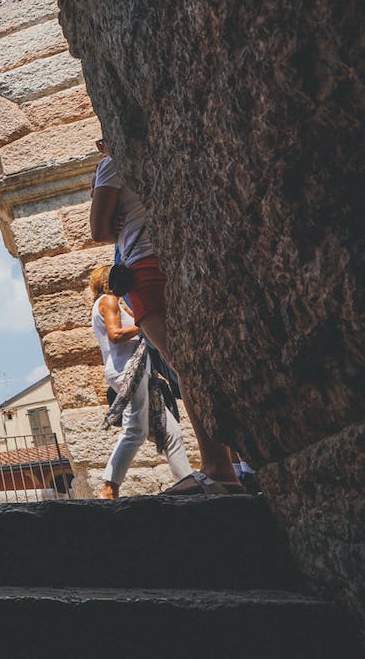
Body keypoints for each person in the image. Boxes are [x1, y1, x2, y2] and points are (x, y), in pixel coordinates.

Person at [89, 140, 242, 494]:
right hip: (183, 256)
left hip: (144, 268)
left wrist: (104, 198)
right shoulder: (161, 149)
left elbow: (98, 231)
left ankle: (219, 468)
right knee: (203, 361)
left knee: (186, 366)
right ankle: (237, 461)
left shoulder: (113, 164)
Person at [89, 265, 191, 498]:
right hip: (128, 370)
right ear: (107, 281)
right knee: (135, 428)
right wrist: (144, 323)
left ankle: (186, 481)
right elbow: (115, 335)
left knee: (170, 431)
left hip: (134, 370)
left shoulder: (104, 304)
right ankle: (109, 487)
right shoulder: (109, 300)